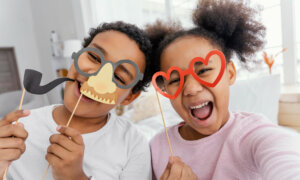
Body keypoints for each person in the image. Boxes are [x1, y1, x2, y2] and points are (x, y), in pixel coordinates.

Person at [147, 0, 300, 179]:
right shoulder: (156, 146)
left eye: (203, 70)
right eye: (175, 79)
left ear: (230, 73)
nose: (190, 88)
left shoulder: (256, 135)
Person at [0, 21, 154, 180]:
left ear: (130, 97)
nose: (96, 77)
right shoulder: (19, 126)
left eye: (118, 77)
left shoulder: (133, 145)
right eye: (94, 57)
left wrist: (76, 177)